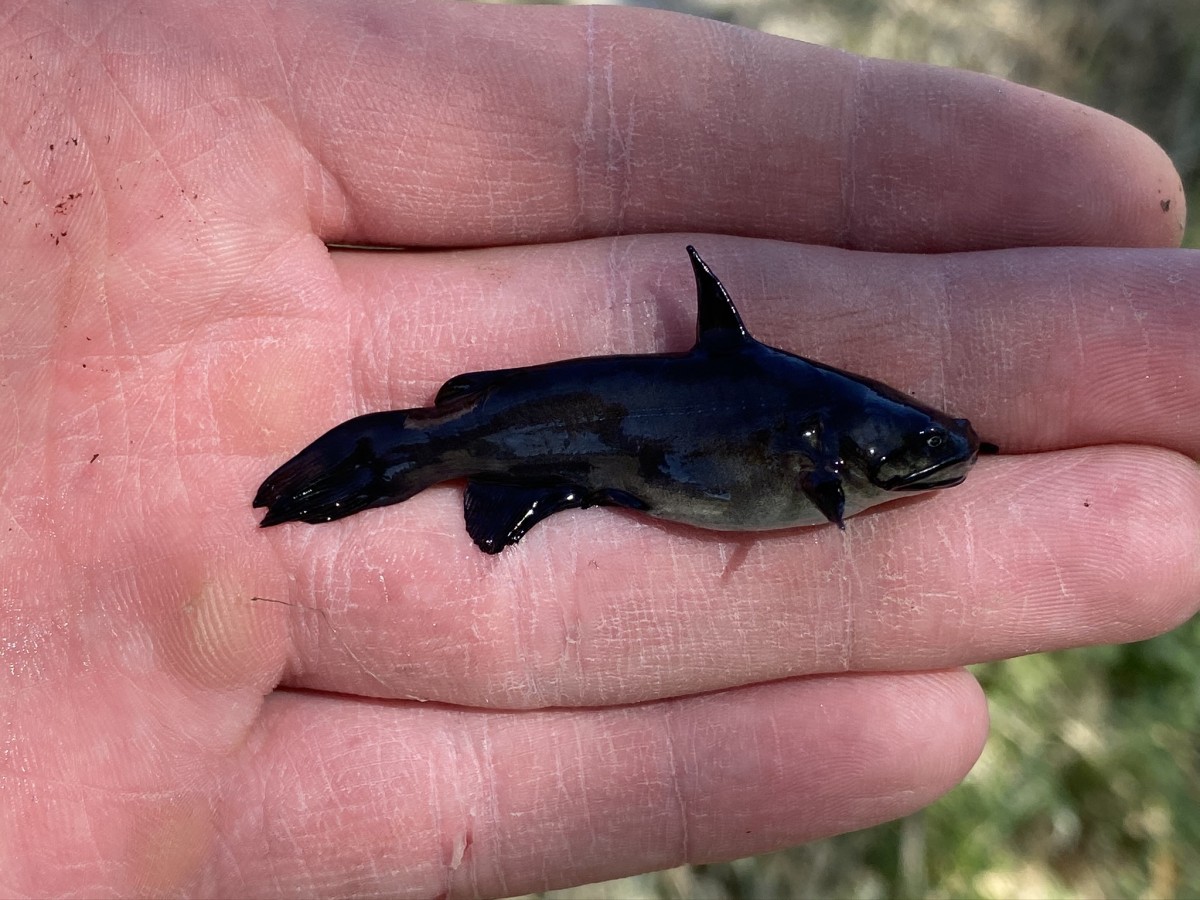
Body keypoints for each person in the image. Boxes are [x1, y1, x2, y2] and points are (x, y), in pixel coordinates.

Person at [2, 1, 1196, 896]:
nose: (937, 458)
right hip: (572, 433)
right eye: (920, 445)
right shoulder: (819, 454)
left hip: (590, 436)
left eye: (927, 446)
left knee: (448, 456)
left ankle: (383, 471)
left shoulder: (834, 447)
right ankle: (375, 472)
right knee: (425, 453)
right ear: (853, 448)